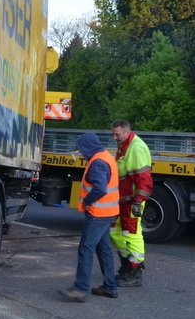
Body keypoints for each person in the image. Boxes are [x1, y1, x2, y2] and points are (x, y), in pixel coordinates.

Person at [59, 132, 120, 301]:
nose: (81, 153)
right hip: (108, 212)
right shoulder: (106, 156)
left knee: (86, 248)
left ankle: (80, 289)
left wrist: (87, 201)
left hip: (98, 213)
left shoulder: (97, 163)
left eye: (81, 149)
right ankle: (110, 286)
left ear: (87, 147)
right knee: (104, 248)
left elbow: (100, 188)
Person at [110, 119, 153, 287]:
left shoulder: (136, 148)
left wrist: (138, 201)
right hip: (123, 200)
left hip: (132, 201)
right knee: (115, 233)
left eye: (117, 134)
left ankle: (135, 272)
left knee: (132, 235)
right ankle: (127, 266)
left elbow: (143, 178)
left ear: (126, 132)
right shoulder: (125, 146)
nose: (114, 137)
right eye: (113, 134)